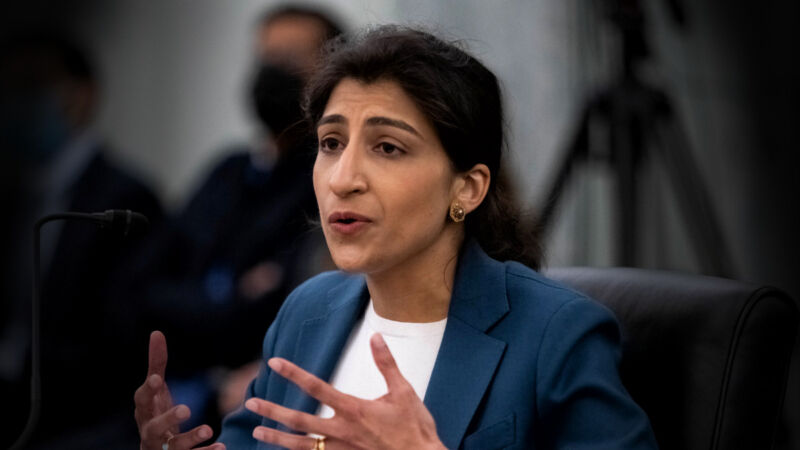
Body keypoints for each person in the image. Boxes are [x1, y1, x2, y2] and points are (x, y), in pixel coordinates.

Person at [134, 26, 658, 449]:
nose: (343, 178)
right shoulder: (305, 312)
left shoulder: (557, 335)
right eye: (332, 143)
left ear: (468, 188)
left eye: (387, 147)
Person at [123, 3, 344, 438]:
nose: (272, 72)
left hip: (253, 402)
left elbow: (284, 302)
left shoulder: (329, 179)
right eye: (265, 58)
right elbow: (144, 290)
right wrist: (230, 302)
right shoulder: (226, 172)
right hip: (180, 392)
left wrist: (210, 307)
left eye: (290, 59)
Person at [0, 32, 163, 448]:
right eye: (13, 87)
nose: (19, 102)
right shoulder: (17, 194)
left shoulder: (125, 197)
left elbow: (122, 334)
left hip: (82, 420)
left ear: (82, 94)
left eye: (35, 87)